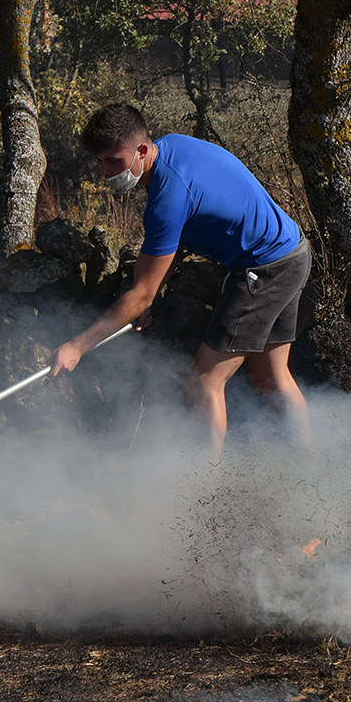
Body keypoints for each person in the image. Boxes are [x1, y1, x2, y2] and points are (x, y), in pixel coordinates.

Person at [50, 103, 313, 458]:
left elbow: (140, 294)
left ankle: (202, 498)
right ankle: (309, 471)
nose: (105, 172)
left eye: (113, 161)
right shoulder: (173, 147)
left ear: (141, 150)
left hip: (263, 268)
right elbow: (166, 258)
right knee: (271, 377)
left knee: (204, 380)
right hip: (292, 252)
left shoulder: (167, 198)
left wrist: (77, 347)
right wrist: (148, 298)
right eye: (100, 162)